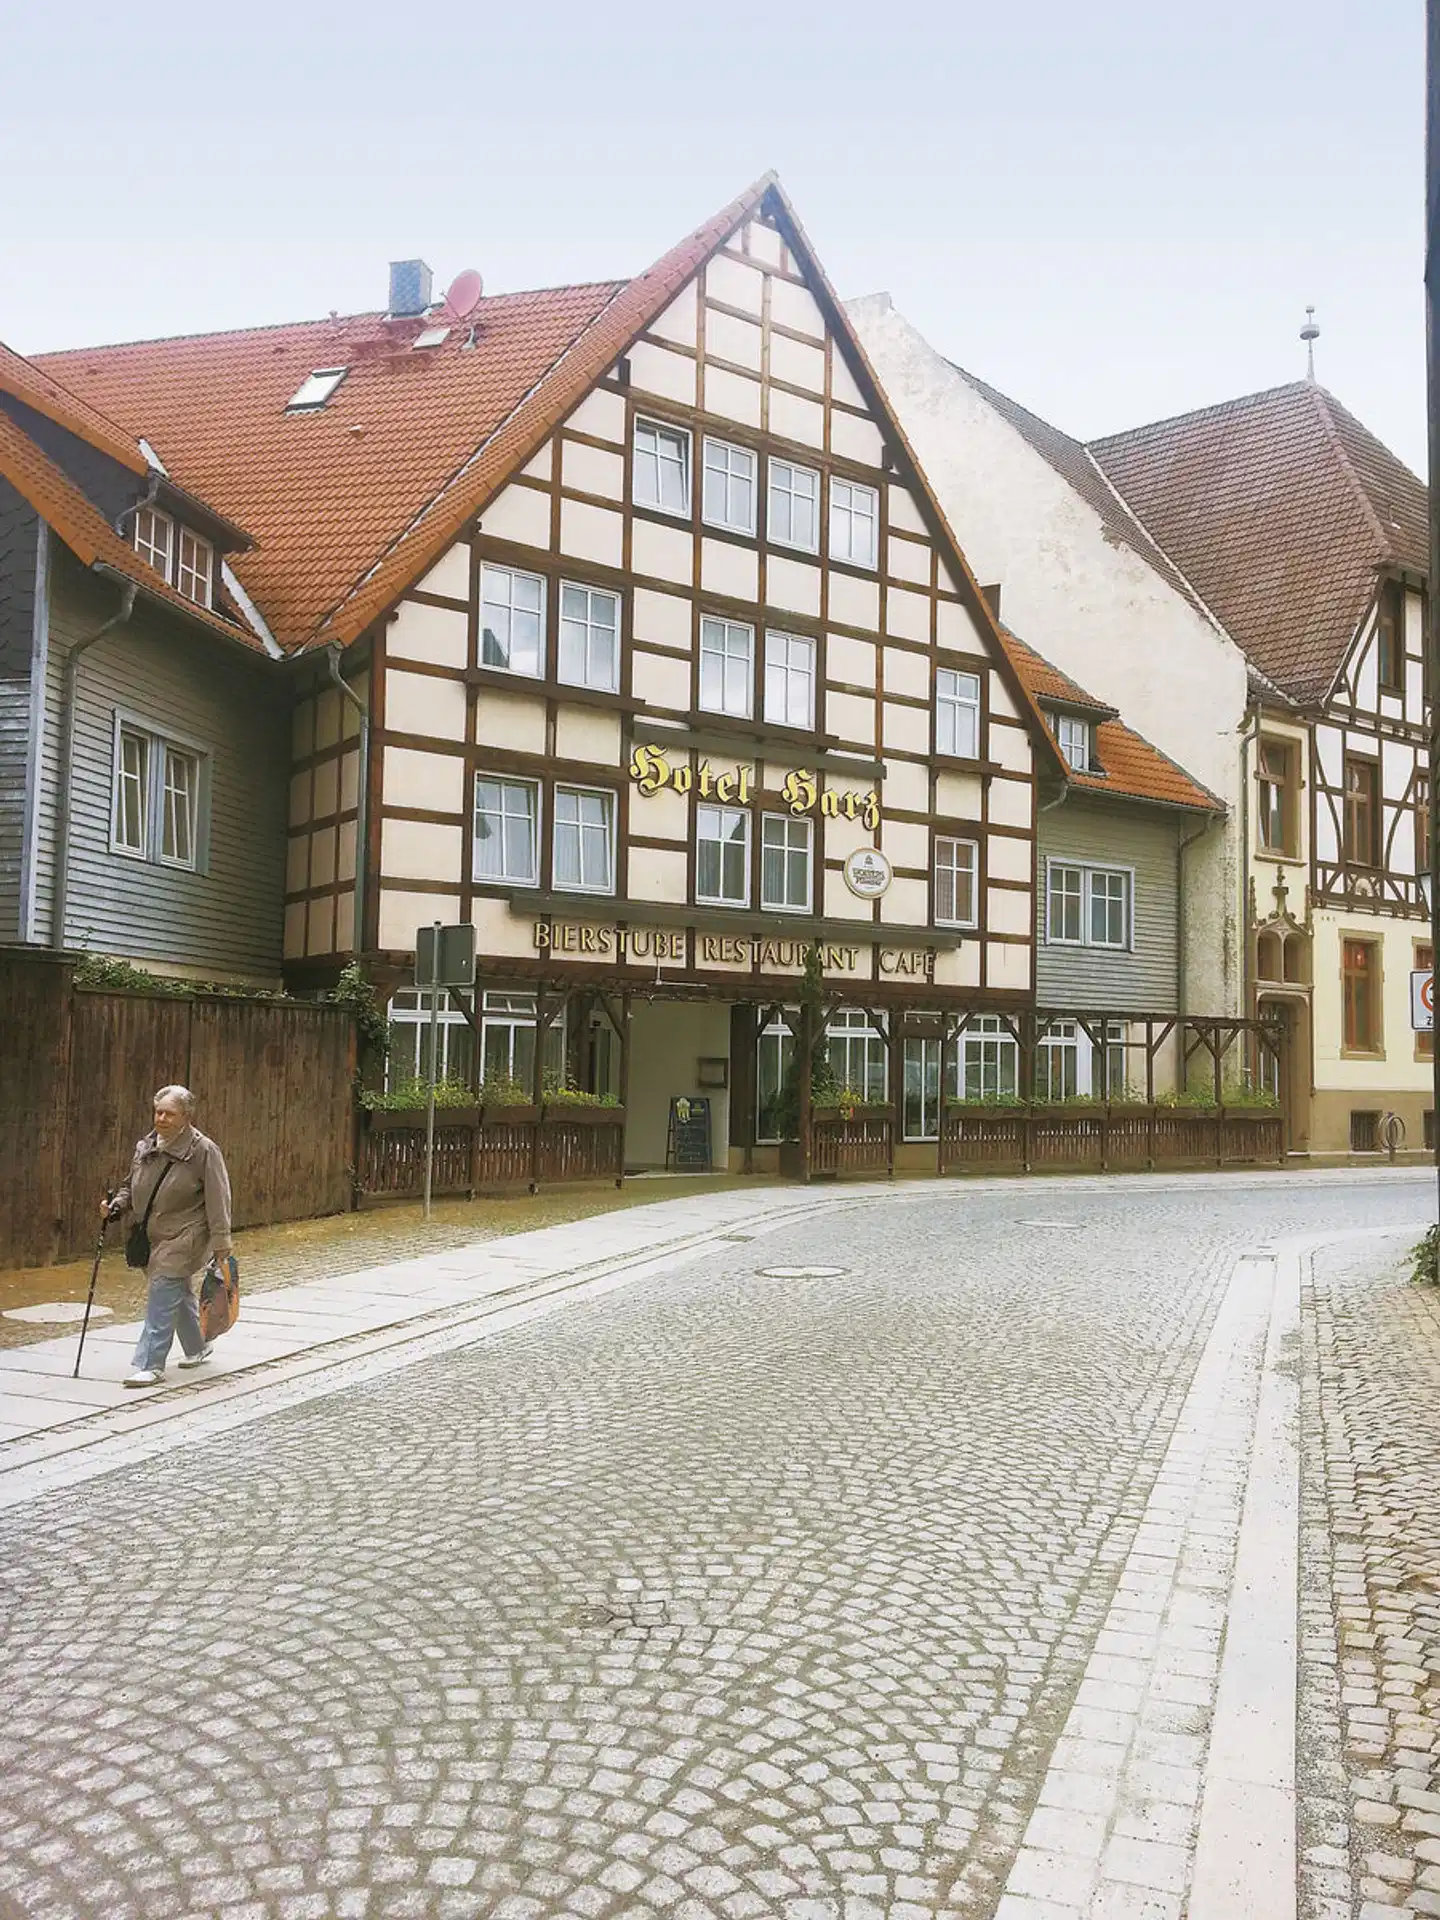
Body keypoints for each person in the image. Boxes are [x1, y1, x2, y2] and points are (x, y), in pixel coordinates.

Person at [105, 1085, 234, 1389]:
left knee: (163, 1289)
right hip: (153, 1234)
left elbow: (220, 1199)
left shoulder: (204, 1150)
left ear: (186, 1117)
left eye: (169, 1113)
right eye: (158, 1111)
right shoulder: (146, 1146)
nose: (160, 1118)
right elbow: (129, 1185)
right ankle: (199, 1345)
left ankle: (150, 1364)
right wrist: (116, 1206)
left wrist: (221, 1243)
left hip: (187, 1234)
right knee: (177, 1293)